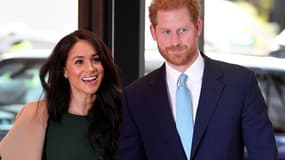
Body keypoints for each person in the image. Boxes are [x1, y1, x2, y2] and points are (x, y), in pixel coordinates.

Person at [115, 0, 278, 160]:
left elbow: (264, 154)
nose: (175, 41)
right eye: (166, 32)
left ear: (198, 27)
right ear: (153, 32)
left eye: (183, 30)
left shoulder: (240, 84)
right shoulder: (135, 97)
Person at [0, 29, 122, 160]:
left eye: (96, 59)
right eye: (79, 62)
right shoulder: (37, 115)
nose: (90, 69)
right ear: (64, 71)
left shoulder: (121, 113)